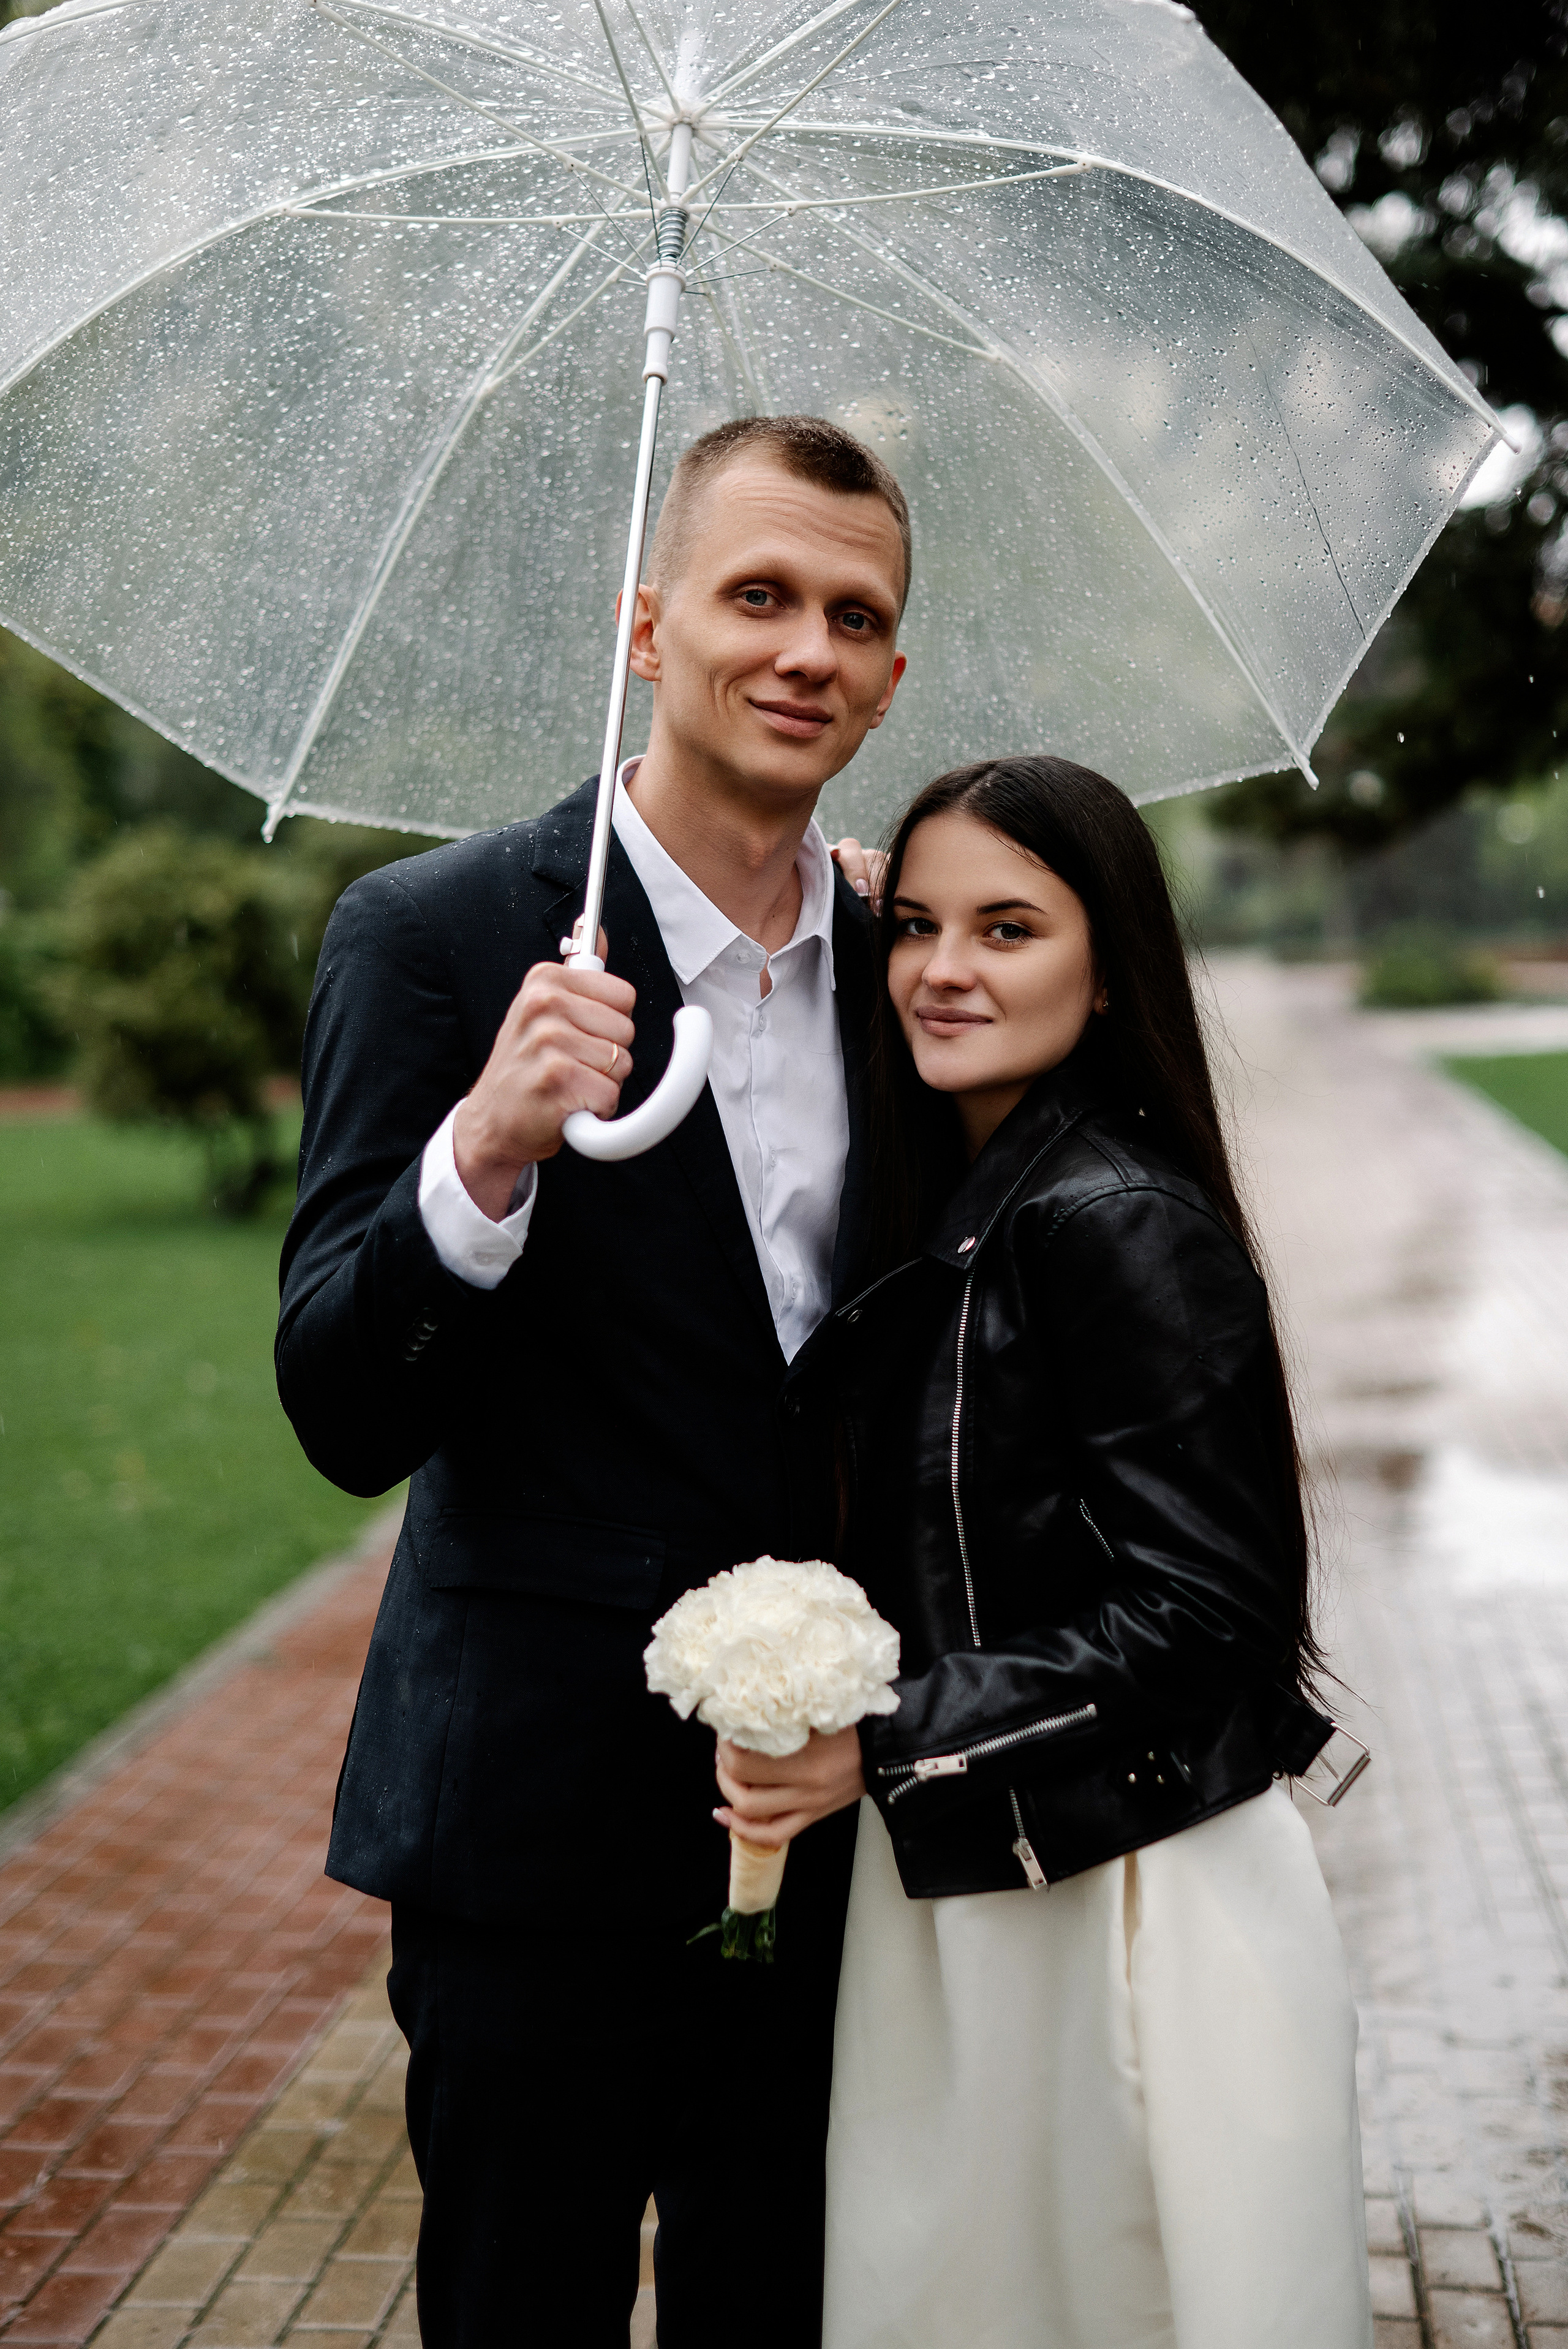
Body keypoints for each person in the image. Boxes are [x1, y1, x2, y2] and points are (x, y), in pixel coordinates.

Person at [276, 414, 906, 2348]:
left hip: (823, 1838)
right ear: (650, 626)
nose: (806, 647)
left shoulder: (910, 961)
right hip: (528, 1838)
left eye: (856, 615)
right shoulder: (440, 937)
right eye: (759, 594)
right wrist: (482, 1154)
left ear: (889, 678)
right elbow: (338, 1405)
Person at [715, 756, 1374, 2348]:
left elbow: (1209, 1608)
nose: (947, 969)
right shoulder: (966, 1196)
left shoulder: (1111, 1214)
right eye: (919, 925)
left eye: (1009, 927)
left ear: (1106, 962)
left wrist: (889, 1737)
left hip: (1129, 1893)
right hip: (975, 1867)